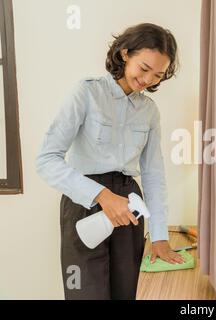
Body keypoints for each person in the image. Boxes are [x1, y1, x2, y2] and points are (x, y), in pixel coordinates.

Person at [35, 23, 184, 300]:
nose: (148, 79)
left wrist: (160, 235)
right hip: (84, 204)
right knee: (84, 293)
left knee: (127, 293)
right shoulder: (87, 93)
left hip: (130, 208)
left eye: (158, 75)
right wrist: (102, 195)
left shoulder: (149, 112)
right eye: (144, 68)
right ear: (125, 53)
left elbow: (153, 174)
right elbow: (46, 160)